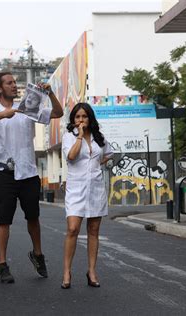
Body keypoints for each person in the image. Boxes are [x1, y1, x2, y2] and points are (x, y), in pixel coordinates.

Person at [0, 72, 63, 283]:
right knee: (3, 220)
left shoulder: (27, 109)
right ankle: (2, 264)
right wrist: (3, 114)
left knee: (33, 217)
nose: (14, 86)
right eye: (9, 83)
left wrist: (50, 93)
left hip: (28, 171)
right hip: (5, 173)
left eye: (15, 82)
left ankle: (38, 255)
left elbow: (57, 113)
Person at [61, 102, 113, 289]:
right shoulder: (69, 137)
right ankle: (67, 271)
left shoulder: (99, 137)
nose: (81, 120)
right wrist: (80, 137)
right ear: (73, 119)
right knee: (73, 228)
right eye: (77, 117)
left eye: (84, 116)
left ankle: (91, 270)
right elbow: (71, 157)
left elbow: (109, 153)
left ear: (90, 118)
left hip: (96, 188)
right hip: (76, 188)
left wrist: (97, 164)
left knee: (93, 230)